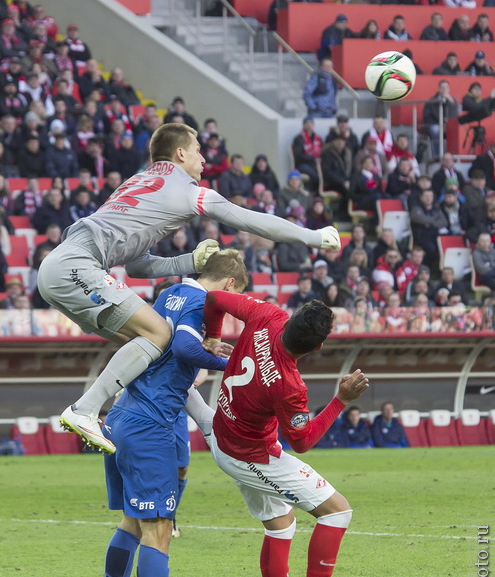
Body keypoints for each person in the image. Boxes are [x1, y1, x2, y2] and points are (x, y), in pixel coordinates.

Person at [37, 123, 341, 452]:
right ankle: (85, 409)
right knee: (159, 334)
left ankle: (206, 420)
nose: (203, 158)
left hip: (59, 266)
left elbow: (138, 265)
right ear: (180, 153)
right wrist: (314, 237)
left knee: (157, 348)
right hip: (77, 266)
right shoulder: (187, 190)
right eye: (197, 149)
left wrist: (191, 262)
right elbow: (253, 220)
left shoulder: (137, 183)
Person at [95, 250, 247, 577]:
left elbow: (174, 344)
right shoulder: (200, 302)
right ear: (229, 286)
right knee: (159, 527)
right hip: (151, 423)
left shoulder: (173, 292)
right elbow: (182, 349)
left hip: (123, 414)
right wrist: (226, 363)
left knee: (132, 521)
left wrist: (213, 349)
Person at [203, 292, 369, 577]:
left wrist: (213, 336)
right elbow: (304, 441)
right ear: (318, 347)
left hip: (224, 435)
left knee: (280, 526)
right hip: (250, 455)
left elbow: (215, 297)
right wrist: (341, 401)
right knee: (337, 512)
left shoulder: (265, 314)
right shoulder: (289, 384)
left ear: (291, 317)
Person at [423, 82, 459, 157]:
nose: (444, 89)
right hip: (435, 124)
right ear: (439, 89)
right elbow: (427, 116)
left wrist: (451, 101)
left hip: (448, 125)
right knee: (435, 130)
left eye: (446, 87)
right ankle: (438, 156)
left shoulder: (452, 101)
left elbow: (455, 115)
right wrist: (441, 122)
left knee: (457, 131)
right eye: (442, 87)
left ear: (449, 89)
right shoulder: (432, 101)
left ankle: (453, 156)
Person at [291, 117, 322, 192]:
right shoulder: (299, 139)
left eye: (310, 123)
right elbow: (298, 156)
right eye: (307, 123)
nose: (309, 125)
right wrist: (313, 158)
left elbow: (322, 152)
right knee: (315, 177)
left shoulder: (318, 138)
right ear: (303, 125)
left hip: (316, 164)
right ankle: (312, 193)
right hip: (303, 164)